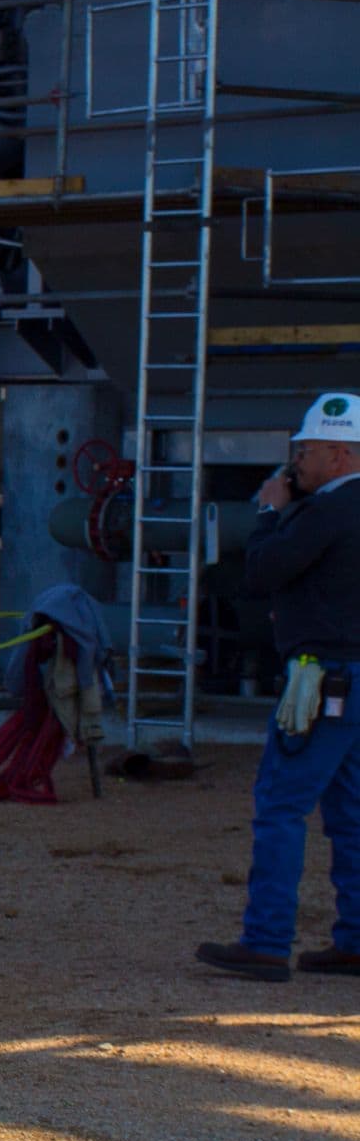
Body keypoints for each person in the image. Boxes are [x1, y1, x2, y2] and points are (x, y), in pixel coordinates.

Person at [196, 391, 360, 981]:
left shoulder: (328, 511)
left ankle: (266, 940)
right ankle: (355, 939)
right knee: (351, 813)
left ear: (340, 455)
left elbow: (263, 571)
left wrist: (269, 512)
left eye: (306, 450)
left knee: (281, 806)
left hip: (322, 677)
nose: (296, 462)